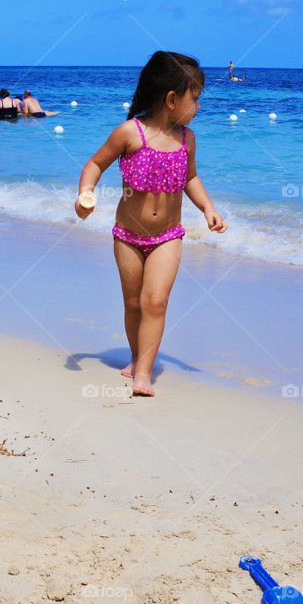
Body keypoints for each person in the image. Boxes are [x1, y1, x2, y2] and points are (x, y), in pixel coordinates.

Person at [75, 50, 227, 397]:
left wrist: (208, 208)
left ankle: (143, 373)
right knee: (133, 303)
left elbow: (190, 178)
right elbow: (95, 164)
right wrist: (85, 193)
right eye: (196, 99)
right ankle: (135, 356)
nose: (199, 107)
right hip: (128, 236)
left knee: (155, 301)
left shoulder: (187, 139)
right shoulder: (130, 133)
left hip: (167, 237)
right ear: (172, 99)